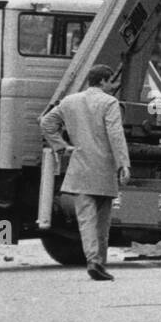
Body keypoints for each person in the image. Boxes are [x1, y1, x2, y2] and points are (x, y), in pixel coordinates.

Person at [39, 64, 130, 281]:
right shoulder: (109, 103)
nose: (113, 85)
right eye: (111, 82)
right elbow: (116, 136)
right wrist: (123, 165)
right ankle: (99, 261)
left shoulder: (70, 101)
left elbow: (46, 123)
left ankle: (93, 261)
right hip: (104, 170)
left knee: (86, 220)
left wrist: (61, 147)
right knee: (102, 221)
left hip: (79, 168)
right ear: (103, 81)